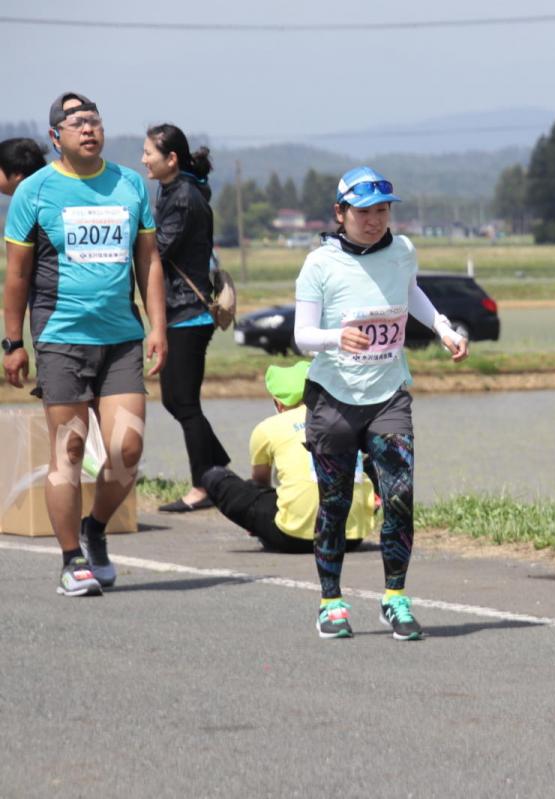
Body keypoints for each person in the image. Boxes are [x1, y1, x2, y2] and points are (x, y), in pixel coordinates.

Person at [293, 166, 468, 640]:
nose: (375, 221)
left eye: (383, 211)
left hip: (389, 395)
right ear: (340, 213)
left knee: (400, 495)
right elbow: (302, 335)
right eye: (364, 211)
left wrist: (444, 328)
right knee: (335, 501)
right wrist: (336, 338)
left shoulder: (403, 251)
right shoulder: (320, 265)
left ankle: (395, 598)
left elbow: (411, 294)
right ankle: (331, 601)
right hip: (334, 399)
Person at [3, 92, 166, 595]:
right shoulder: (36, 191)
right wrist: (13, 341)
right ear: (56, 137)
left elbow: (149, 261)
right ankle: (71, 559)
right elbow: (17, 274)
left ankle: (95, 528)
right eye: (75, 123)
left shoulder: (130, 184)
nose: (87, 129)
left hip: (121, 336)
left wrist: (158, 326)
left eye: (93, 120)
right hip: (60, 337)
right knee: (69, 448)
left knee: (127, 447)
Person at [141, 123, 230, 512]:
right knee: (177, 401)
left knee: (184, 402)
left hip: (188, 314)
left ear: (171, 159)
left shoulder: (183, 197)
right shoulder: (173, 190)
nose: (143, 159)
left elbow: (159, 248)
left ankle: (204, 486)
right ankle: (219, 468)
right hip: (181, 311)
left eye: (149, 153)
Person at [199, 361, 375, 553]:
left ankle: (271, 529)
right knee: (373, 463)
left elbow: (260, 483)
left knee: (214, 476)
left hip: (293, 539)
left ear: (279, 402)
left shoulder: (268, 427)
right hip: (351, 537)